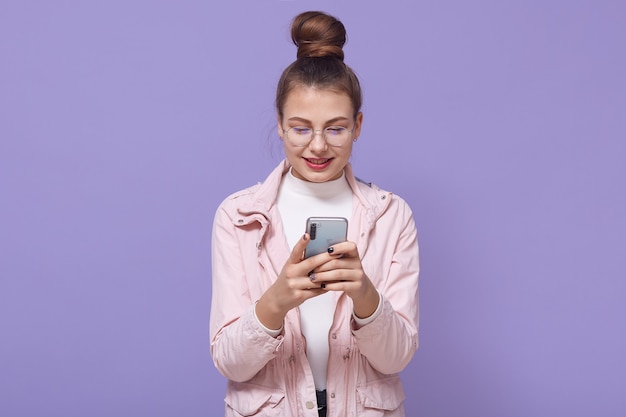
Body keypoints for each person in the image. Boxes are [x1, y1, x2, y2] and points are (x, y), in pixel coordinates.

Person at [209, 10, 419, 417]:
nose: (318, 146)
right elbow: (229, 363)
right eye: (301, 128)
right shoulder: (238, 215)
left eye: (336, 128)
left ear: (358, 125)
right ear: (281, 125)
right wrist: (276, 301)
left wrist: (365, 296)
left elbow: (396, 360)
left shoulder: (392, 216)